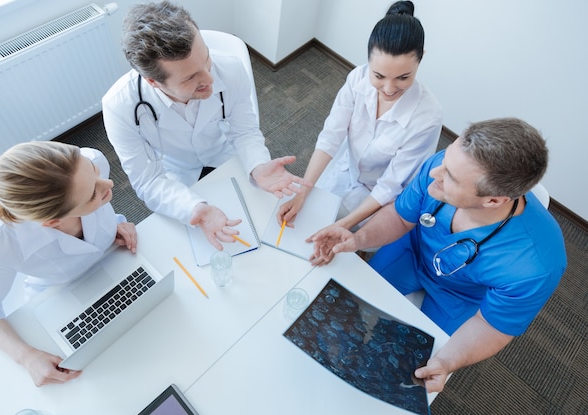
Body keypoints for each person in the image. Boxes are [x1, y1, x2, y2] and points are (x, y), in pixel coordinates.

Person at [308, 118, 567, 392]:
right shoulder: (444, 164)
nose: (435, 172)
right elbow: (400, 217)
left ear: (493, 200)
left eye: (450, 177)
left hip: (462, 296)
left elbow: (492, 326)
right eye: (446, 158)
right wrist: (358, 238)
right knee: (342, 307)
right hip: (413, 250)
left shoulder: (536, 264)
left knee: (405, 367)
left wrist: (446, 361)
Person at [102, 1, 308, 250]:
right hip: (174, 173)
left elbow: (244, 131)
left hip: (225, 155)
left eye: (207, 59)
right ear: (153, 82)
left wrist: (258, 166)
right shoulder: (119, 107)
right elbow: (148, 181)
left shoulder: (230, 68)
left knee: (264, 230)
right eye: (191, 77)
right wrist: (195, 208)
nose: (210, 79)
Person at [0, 141, 138, 386]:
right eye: (92, 195)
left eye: (94, 173)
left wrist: (116, 224)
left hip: (117, 263)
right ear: (53, 222)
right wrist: (27, 357)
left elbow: (98, 198)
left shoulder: (89, 161)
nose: (109, 185)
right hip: (58, 299)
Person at [277, 0, 442, 232]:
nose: (388, 89)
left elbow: (390, 185)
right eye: (379, 75)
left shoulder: (427, 117)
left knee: (350, 245)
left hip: (381, 197)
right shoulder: (357, 79)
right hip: (346, 169)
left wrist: (344, 227)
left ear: (421, 58)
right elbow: (331, 137)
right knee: (306, 219)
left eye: (403, 78)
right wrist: (303, 192)